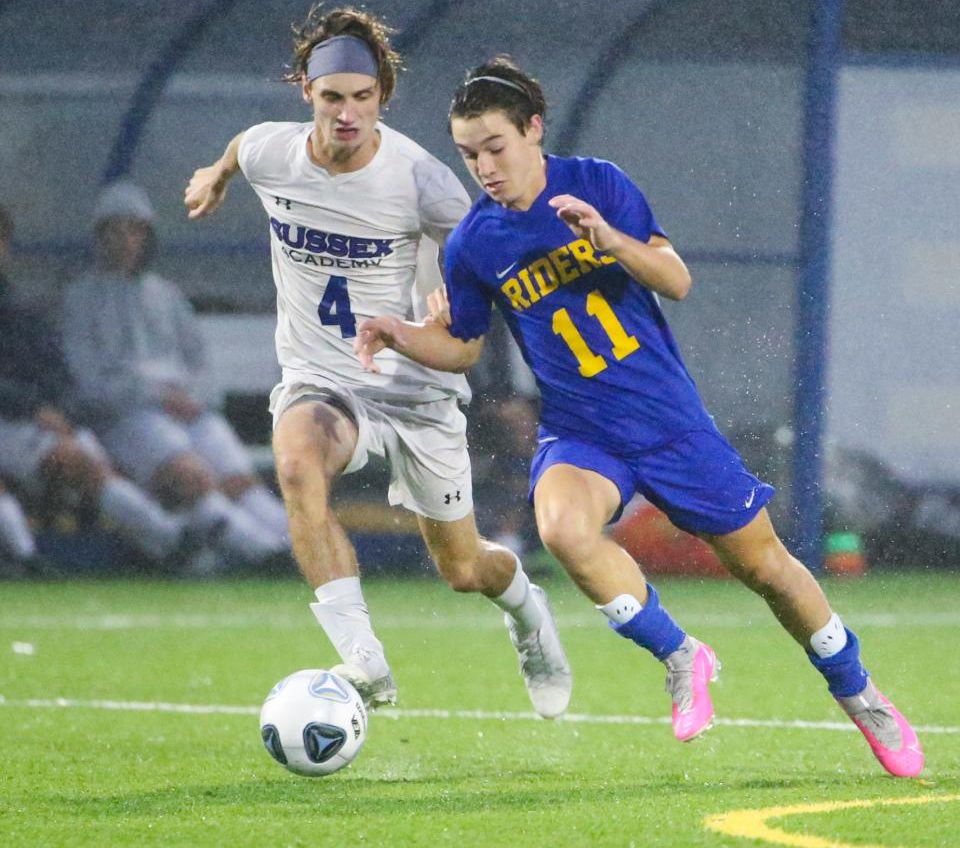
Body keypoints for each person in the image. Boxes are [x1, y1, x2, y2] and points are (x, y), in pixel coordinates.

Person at [354, 56, 924, 778]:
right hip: (581, 430)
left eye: (495, 147)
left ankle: (862, 695)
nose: (484, 168)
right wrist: (402, 333)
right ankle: (682, 655)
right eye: (469, 155)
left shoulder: (596, 182)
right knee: (562, 529)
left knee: (769, 571)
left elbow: (676, 279)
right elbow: (463, 348)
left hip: (667, 422)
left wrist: (611, 241)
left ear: (534, 129)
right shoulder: (474, 242)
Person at [183, 6, 571, 715]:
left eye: (363, 97)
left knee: (463, 567)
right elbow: (244, 147)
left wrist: (452, 294)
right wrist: (215, 172)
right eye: (333, 97)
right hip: (325, 379)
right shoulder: (275, 151)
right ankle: (364, 664)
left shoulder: (421, 180)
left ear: (382, 98)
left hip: (417, 388)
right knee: (297, 460)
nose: (348, 113)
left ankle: (527, 613)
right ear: (307, 90)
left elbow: (480, 261)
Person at [61, 183, 289, 571]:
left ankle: (296, 546)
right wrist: (153, 396)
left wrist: (193, 398)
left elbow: (201, 367)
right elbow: (87, 383)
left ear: (147, 236)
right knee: (190, 475)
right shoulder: (79, 300)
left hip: (187, 411)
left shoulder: (166, 295)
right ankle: (264, 555)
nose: (125, 240)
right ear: (99, 237)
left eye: (133, 230)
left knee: (236, 476)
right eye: (114, 230)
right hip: (127, 418)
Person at [0, 203, 198, 573]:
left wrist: (57, 409)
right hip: (14, 419)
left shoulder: (17, 306)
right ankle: (25, 558)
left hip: (31, 422)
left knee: (88, 459)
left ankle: (168, 542)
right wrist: (32, 408)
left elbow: (53, 370)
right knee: (77, 459)